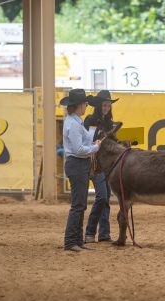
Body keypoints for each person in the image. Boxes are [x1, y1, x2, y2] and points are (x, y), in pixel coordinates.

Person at [61, 89, 102, 252]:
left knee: (80, 204)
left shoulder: (75, 121)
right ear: (79, 105)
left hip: (79, 164)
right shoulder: (74, 123)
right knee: (78, 205)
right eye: (85, 103)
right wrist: (95, 147)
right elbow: (78, 149)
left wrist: (93, 143)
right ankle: (71, 241)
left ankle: (76, 240)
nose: (86, 105)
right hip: (77, 163)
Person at [83, 90, 119, 243]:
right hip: (94, 164)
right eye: (104, 105)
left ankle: (104, 234)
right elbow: (87, 140)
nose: (106, 108)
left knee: (105, 198)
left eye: (108, 105)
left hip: (106, 165)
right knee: (102, 197)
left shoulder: (109, 123)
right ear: (98, 106)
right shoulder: (90, 120)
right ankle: (90, 231)